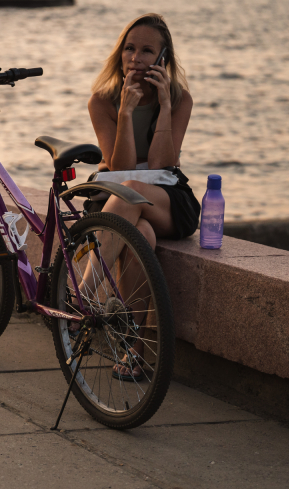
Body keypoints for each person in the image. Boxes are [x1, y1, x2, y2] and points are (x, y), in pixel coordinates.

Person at [83, 13, 200, 381]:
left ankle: (82, 294)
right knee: (141, 237)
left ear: (163, 59)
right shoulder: (102, 101)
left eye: (147, 51)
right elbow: (120, 166)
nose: (135, 58)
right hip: (118, 197)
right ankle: (133, 349)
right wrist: (125, 111)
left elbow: (164, 164)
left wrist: (164, 106)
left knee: (133, 191)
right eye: (129, 48)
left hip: (166, 199)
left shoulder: (180, 100)